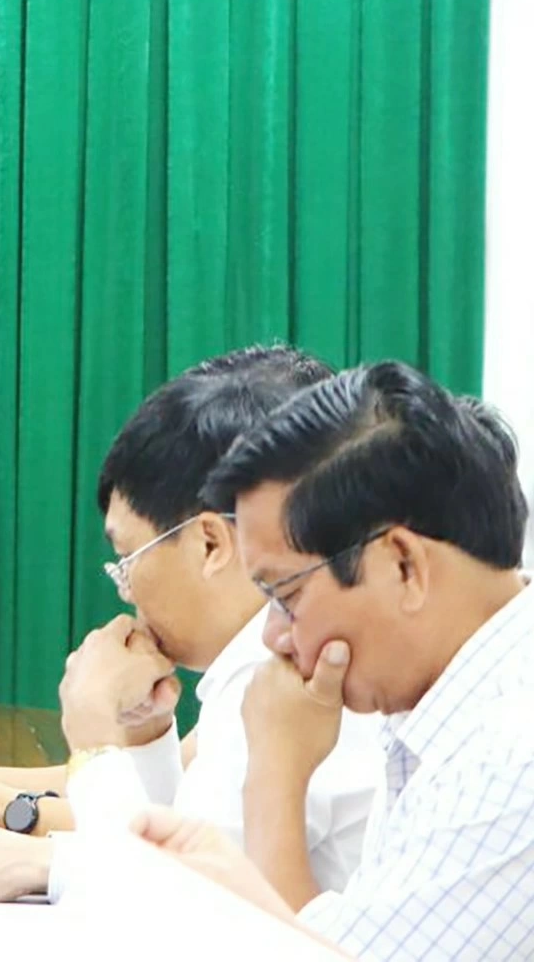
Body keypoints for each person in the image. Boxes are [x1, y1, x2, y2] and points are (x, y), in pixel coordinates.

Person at [0, 346, 381, 902]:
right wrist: (146, 737)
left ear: (210, 542)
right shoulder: (257, 662)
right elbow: (189, 842)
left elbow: (170, 917)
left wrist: (97, 739)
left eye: (127, 561)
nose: (126, 592)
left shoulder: (297, 671)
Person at [81, 363, 534, 959]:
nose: (273, 635)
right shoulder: (442, 711)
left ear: (404, 565)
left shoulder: (506, 756)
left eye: (286, 596)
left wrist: (96, 744)